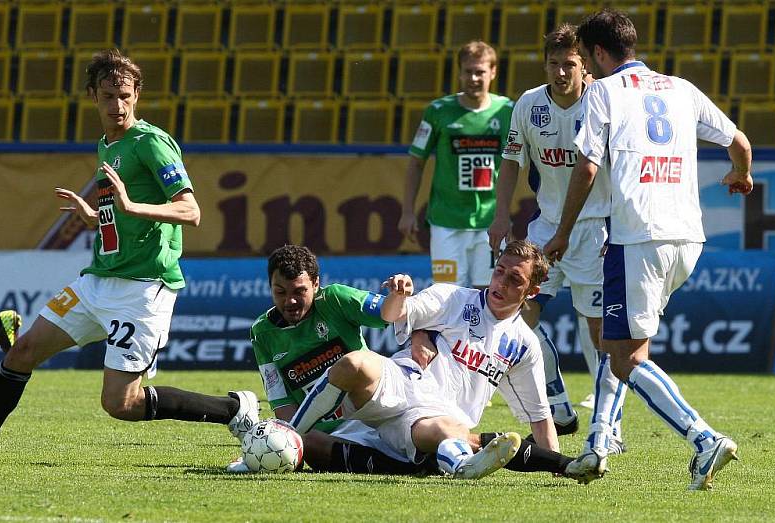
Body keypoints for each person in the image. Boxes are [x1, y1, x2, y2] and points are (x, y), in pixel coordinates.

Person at [0, 49, 259, 464]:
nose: (118, 105)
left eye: (125, 96)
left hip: (143, 288)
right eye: (109, 96)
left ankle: (234, 409)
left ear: (137, 95)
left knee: (121, 404)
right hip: (97, 280)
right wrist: (97, 216)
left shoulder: (152, 144)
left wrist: (129, 206)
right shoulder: (108, 145)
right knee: (21, 352)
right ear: (93, 95)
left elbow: (190, 211)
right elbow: (123, 215)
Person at [542, 9, 751, 490]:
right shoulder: (680, 87)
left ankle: (703, 440)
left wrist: (563, 232)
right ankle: (598, 444)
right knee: (621, 347)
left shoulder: (602, 92)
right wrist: (741, 175)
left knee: (624, 357)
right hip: (687, 238)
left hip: (636, 237)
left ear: (595, 54)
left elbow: (588, 168)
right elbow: (739, 141)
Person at [230, 244, 586, 481]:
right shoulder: (453, 297)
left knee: (326, 449)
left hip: (436, 420)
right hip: (406, 382)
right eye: (499, 271)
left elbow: (540, 417)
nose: (501, 282)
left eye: (514, 279)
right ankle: (285, 436)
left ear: (531, 292)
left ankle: (450, 462)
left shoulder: (524, 345)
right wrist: (401, 297)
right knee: (354, 365)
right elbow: (400, 314)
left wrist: (556, 465)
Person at [487, 24, 625, 450]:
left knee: (601, 330)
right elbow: (511, 162)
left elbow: (620, 169)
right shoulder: (528, 105)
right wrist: (500, 216)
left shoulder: (606, 101)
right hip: (546, 226)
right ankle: (559, 403)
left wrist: (619, 226)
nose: (561, 72)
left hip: (596, 226)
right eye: (553, 63)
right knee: (518, 316)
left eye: (570, 64)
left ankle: (609, 425)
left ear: (585, 67)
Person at [399, 41, 514, 289]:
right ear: (459, 72)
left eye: (480, 71)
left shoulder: (507, 110)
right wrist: (407, 210)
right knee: (448, 295)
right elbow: (416, 162)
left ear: (493, 72)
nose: (473, 78)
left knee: (491, 293)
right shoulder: (438, 110)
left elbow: (515, 163)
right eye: (468, 71)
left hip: (489, 222)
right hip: (446, 224)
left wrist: (504, 215)